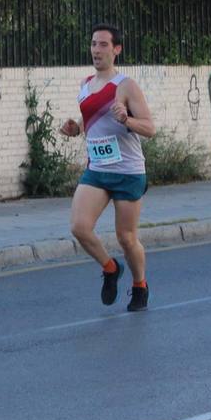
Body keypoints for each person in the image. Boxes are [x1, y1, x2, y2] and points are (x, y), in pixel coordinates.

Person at [59, 24, 157, 311]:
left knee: (126, 238)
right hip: (98, 169)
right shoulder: (85, 85)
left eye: (103, 45)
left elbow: (150, 128)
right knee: (79, 227)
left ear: (116, 50)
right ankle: (111, 268)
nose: (96, 50)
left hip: (127, 171)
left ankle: (140, 285)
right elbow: (89, 123)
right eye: (93, 44)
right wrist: (74, 128)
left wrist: (127, 119)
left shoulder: (126, 85)